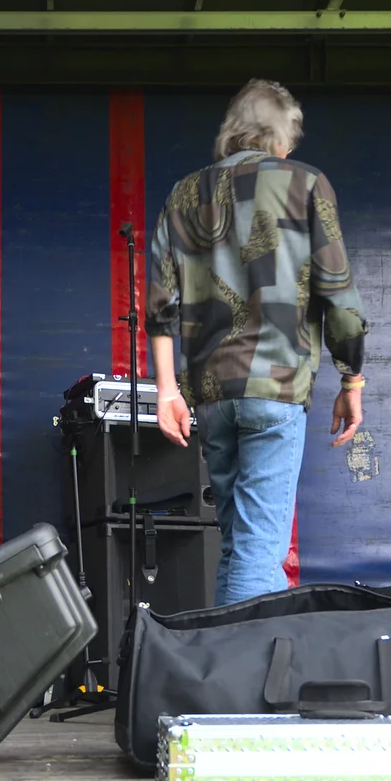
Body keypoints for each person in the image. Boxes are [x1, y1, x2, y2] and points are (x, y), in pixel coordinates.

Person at [147, 78, 369, 607]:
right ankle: (249, 683)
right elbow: (338, 294)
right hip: (276, 383)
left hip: (211, 395)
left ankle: (225, 674)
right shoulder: (307, 183)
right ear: (281, 138)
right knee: (258, 552)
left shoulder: (182, 192)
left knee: (235, 547)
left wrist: (166, 393)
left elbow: (159, 306)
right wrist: (352, 378)